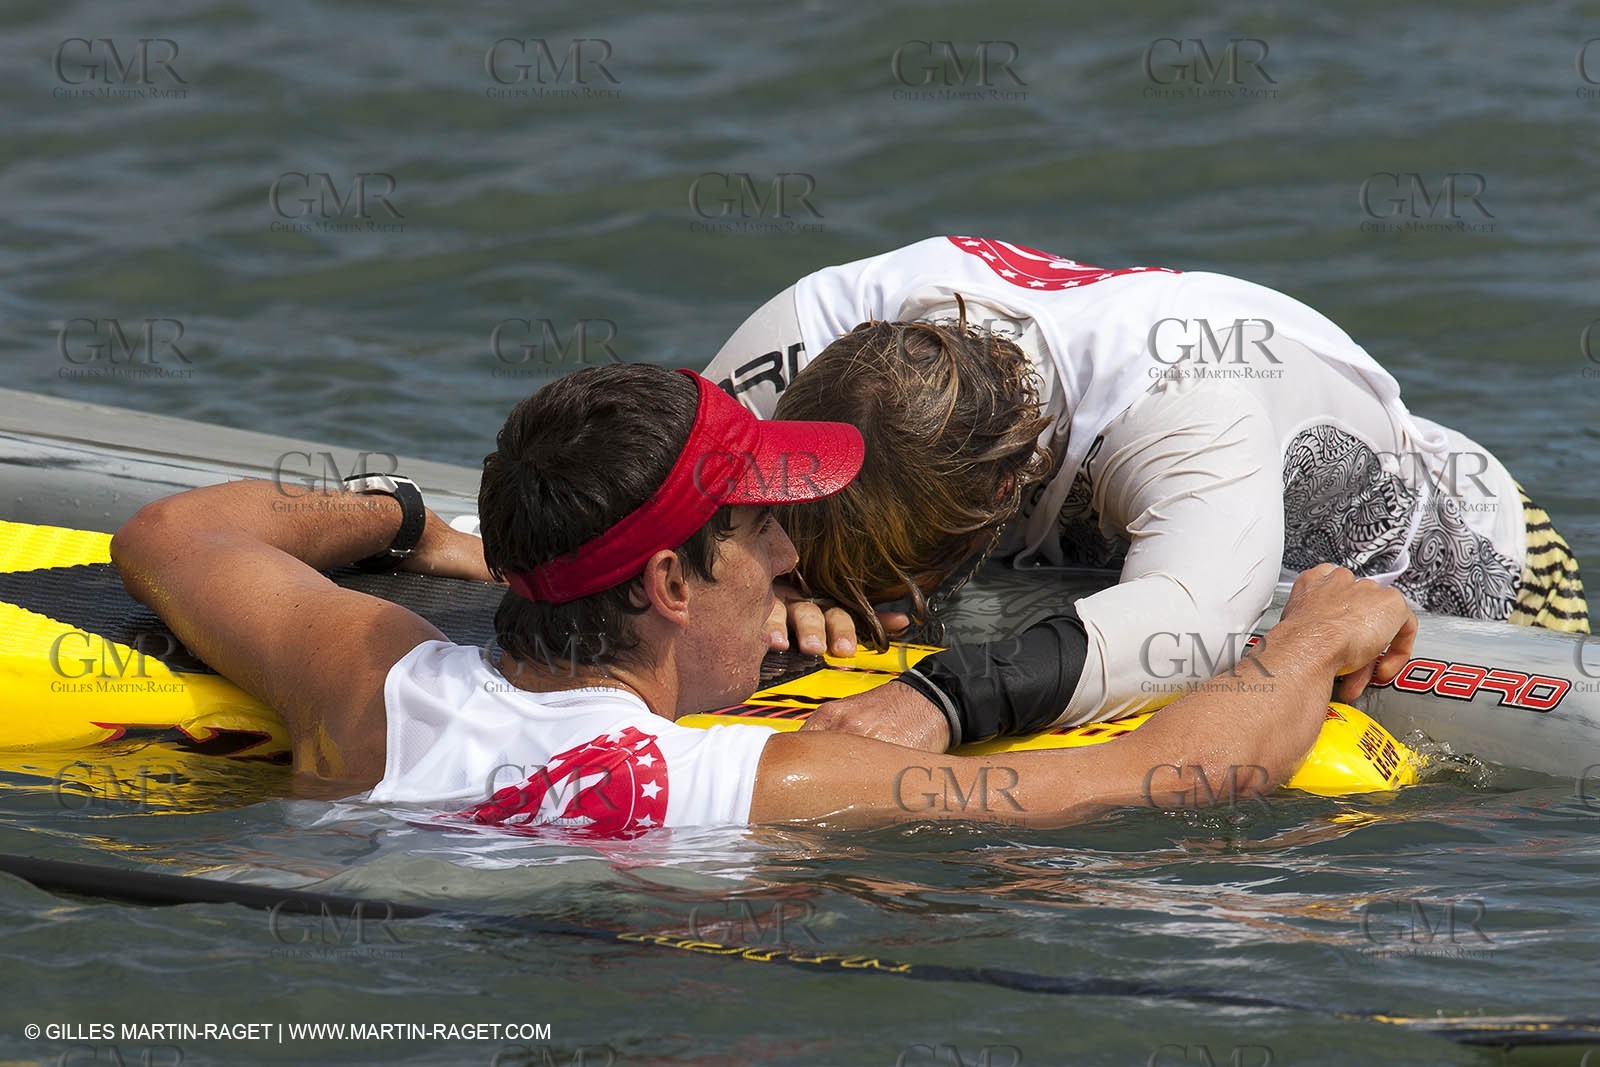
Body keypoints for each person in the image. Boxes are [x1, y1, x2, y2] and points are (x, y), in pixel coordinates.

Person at [111, 363, 1416, 833]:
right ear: (671, 579)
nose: (795, 561)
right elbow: (1162, 778)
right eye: (758, 538)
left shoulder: (369, 679)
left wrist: (406, 521)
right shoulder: (747, 785)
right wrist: (1309, 633)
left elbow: (178, 528)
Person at [703, 235, 1587, 747]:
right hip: (1163, 563)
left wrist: (929, 704)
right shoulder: (818, 322)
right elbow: (636, 495)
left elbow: (1183, 635)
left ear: (1005, 493)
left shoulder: (1186, 406)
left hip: (1469, 587)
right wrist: (770, 586)